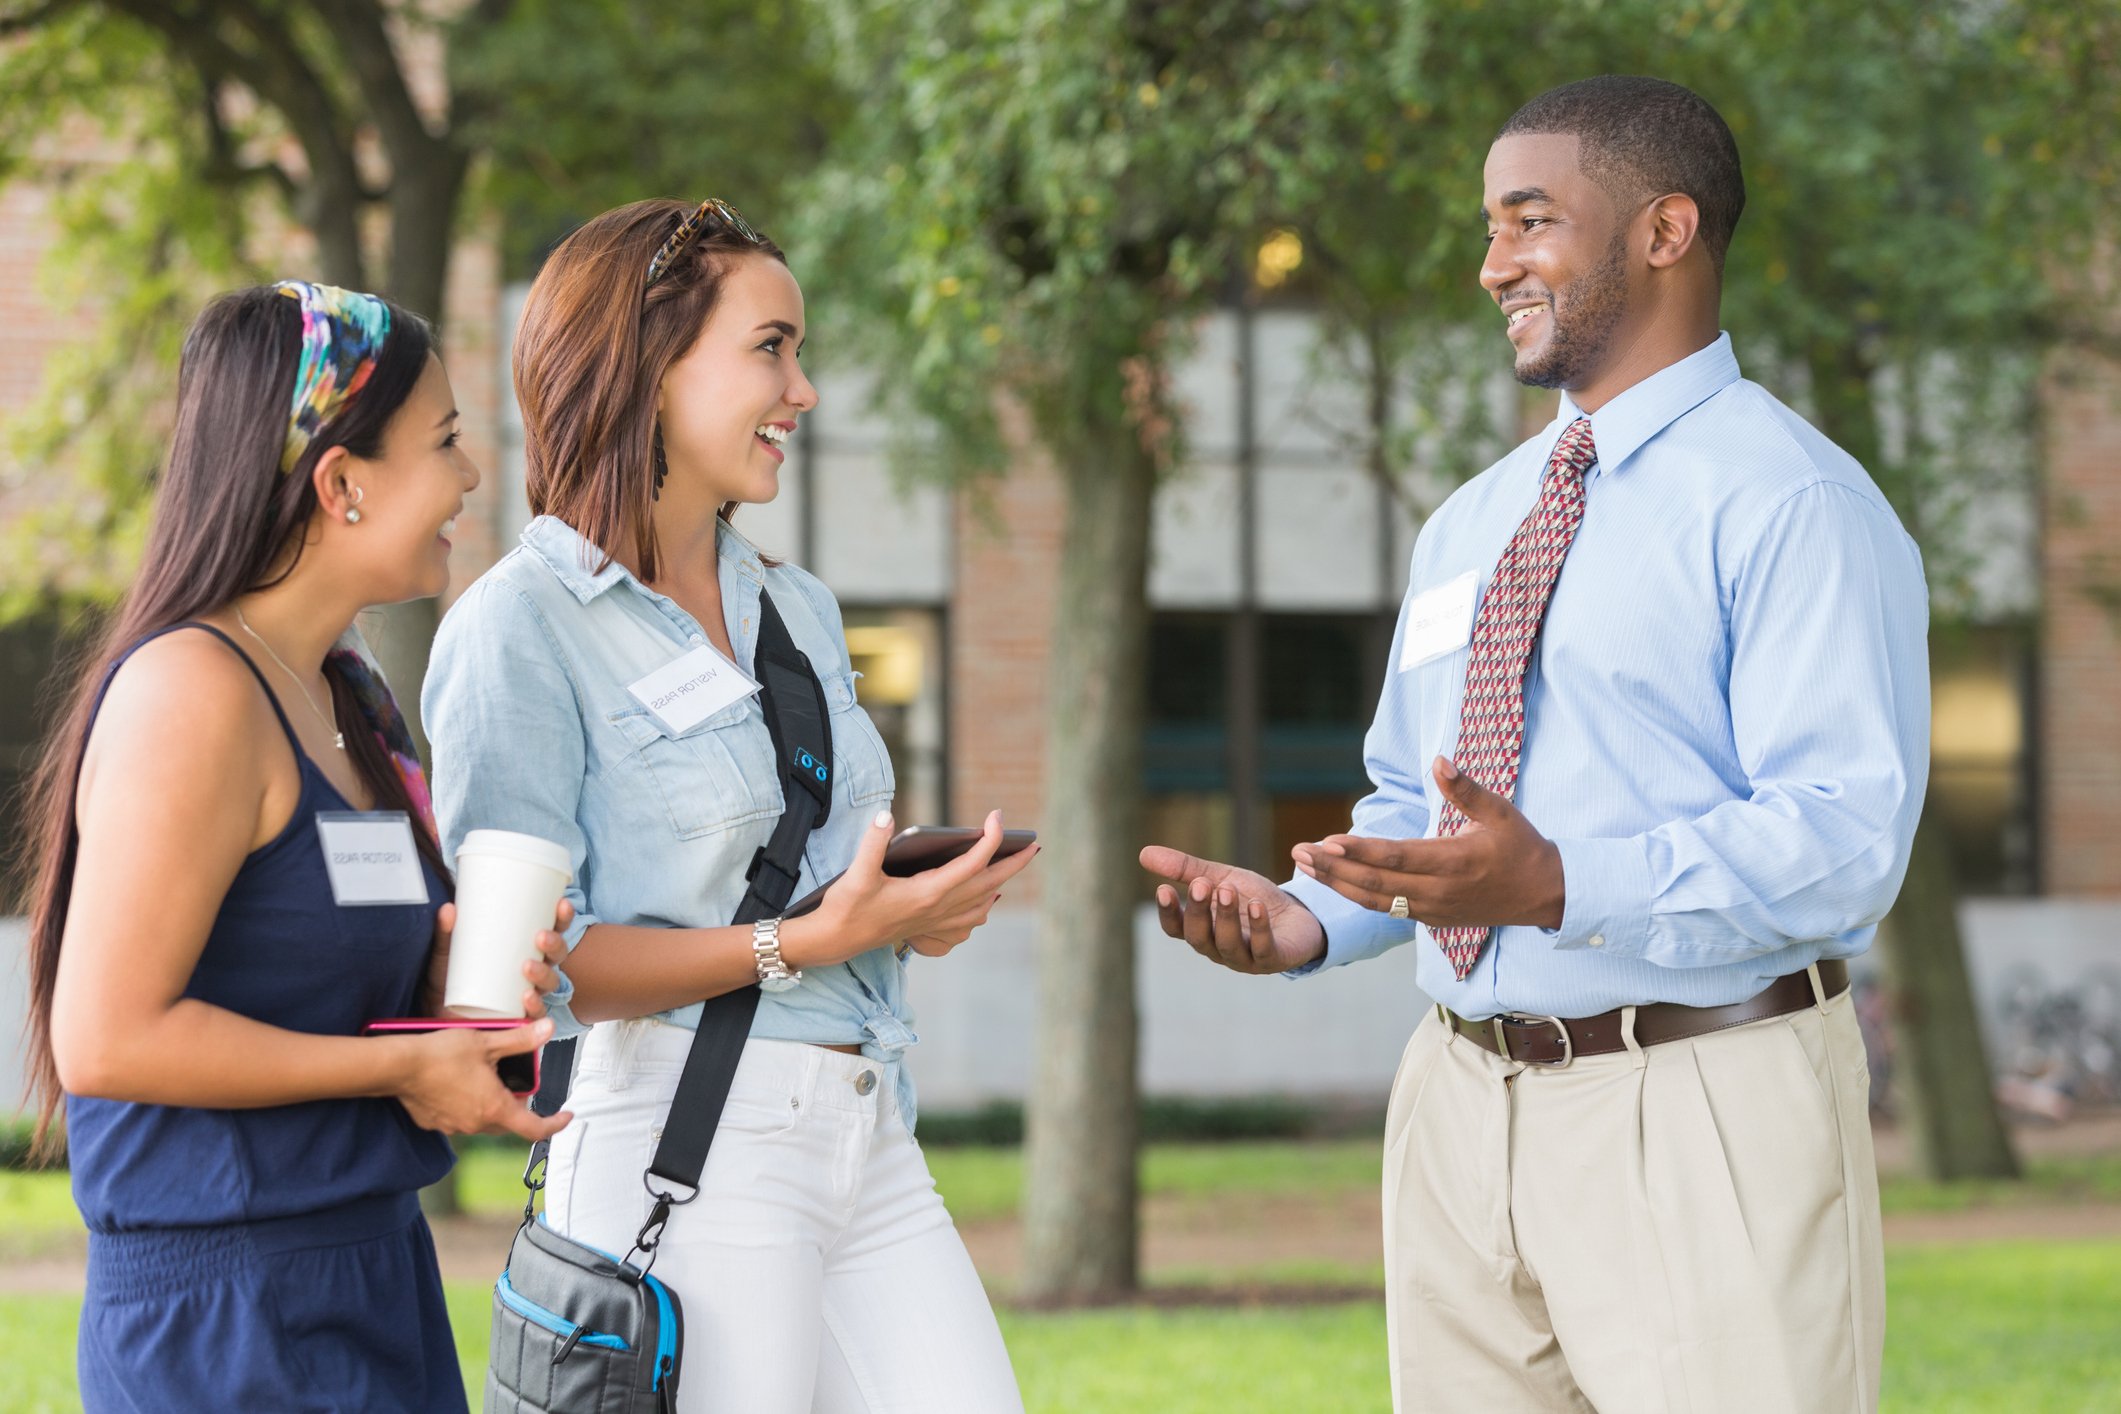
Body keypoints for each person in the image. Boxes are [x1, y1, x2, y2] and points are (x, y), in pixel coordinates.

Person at [1143, 76, 1926, 1414]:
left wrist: (1563, 883)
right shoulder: (1472, 521)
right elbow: (1422, 798)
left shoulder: (1795, 505)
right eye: (1491, 226)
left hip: (1699, 1101)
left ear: (1664, 231)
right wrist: (1305, 916)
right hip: (1455, 1098)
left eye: (1529, 222)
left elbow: (1845, 837)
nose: (1490, 263)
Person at [424, 197, 1037, 1414]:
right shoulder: (518, 625)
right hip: (684, 1142)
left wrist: (900, 911)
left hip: (867, 1125)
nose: (803, 390)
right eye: (772, 347)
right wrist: (806, 941)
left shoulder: (795, 606)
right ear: (649, 367)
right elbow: (527, 974)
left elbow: (811, 866)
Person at [20, 282, 574, 1411]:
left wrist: (445, 989)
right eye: (447, 443)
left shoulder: (346, 695)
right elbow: (107, 1037)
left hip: (370, 1279)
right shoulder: (191, 694)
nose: (473, 478)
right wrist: (399, 1068)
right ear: (342, 482)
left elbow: (295, 969)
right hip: (225, 1323)